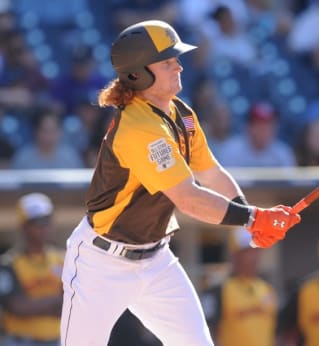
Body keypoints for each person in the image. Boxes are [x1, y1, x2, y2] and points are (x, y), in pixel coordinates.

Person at [59, 20, 301, 346]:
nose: (179, 66)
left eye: (176, 59)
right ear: (138, 74)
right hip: (100, 264)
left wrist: (247, 217)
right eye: (167, 61)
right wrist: (255, 218)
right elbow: (189, 199)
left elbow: (211, 173)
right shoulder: (139, 127)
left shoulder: (181, 113)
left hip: (157, 260)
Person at [0, 193, 64, 346]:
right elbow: (18, 307)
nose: (44, 227)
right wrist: (56, 302)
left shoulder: (61, 259)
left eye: (47, 221)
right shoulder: (8, 263)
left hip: (56, 340)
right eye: (38, 222)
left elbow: (71, 304)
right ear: (24, 226)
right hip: (21, 341)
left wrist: (36, 305)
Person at [201, 227, 278, 346]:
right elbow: (206, 331)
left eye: (256, 250)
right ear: (234, 255)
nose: (253, 256)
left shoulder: (267, 288)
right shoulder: (218, 290)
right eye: (247, 251)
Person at [217, 101, 297, 167]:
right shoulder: (231, 151)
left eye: (269, 126)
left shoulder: (283, 154)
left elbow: (291, 184)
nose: (265, 131)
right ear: (248, 127)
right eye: (259, 126)